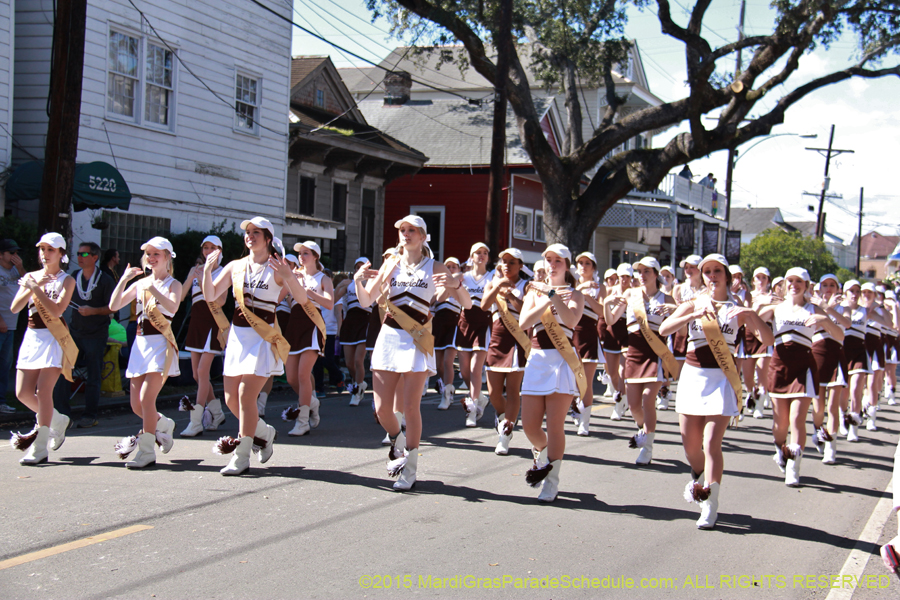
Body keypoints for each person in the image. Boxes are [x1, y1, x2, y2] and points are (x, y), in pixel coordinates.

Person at [659, 253, 773, 529]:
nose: (712, 276)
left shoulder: (738, 308)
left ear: (728, 276)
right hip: (693, 376)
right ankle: (700, 479)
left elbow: (768, 339)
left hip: (722, 378)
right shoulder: (693, 303)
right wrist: (692, 314)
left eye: (717, 271)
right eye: (707, 271)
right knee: (690, 447)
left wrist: (751, 315)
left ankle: (710, 502)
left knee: (711, 442)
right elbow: (663, 329)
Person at [354, 215, 466, 490]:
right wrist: (358, 281)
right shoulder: (390, 263)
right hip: (389, 337)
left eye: (412, 230)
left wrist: (456, 285)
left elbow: (468, 303)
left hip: (417, 339)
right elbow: (367, 300)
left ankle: (410, 467)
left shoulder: (435, 267)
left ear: (423, 236)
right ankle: (398, 439)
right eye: (402, 230)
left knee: (410, 407)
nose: (406, 234)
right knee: (382, 409)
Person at [201, 217, 307, 475]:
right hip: (238, 337)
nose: (250, 236)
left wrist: (289, 277)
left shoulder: (277, 267)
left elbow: (302, 299)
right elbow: (211, 295)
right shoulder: (235, 266)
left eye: (256, 232)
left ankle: (241, 455)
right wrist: (206, 270)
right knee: (230, 400)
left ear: (268, 238)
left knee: (245, 396)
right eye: (248, 232)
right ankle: (264, 433)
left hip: (262, 338)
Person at [757, 268, 843, 486]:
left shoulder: (813, 309)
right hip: (779, 365)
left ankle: (794, 467)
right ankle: (780, 450)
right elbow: (751, 325)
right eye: (791, 281)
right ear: (785, 284)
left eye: (799, 281)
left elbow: (840, 335)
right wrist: (758, 306)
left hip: (804, 367)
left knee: (797, 419)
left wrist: (825, 320)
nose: (794, 285)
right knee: (780, 423)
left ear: (806, 285)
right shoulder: (776, 308)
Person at [518, 244, 584, 502]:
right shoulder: (534, 291)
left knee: (555, 425)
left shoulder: (575, 294)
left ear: (566, 265)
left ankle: (552, 481)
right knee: (530, 426)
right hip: (537, 359)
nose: (553, 265)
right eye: (549, 260)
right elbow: (524, 322)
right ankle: (544, 455)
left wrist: (554, 295)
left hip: (562, 361)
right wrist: (545, 298)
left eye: (558, 260)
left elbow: (571, 321)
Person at [109, 237, 183, 469]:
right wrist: (124, 280)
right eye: (148, 254)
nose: (151, 258)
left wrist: (153, 290)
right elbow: (114, 305)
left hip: (161, 344)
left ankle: (147, 451)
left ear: (167, 257)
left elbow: (173, 307)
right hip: (140, 345)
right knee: (136, 405)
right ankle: (163, 423)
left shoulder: (174, 284)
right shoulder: (141, 283)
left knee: (146, 399)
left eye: (156, 254)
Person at [9, 233, 75, 464]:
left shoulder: (67, 280)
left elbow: (57, 311)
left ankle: (40, 446)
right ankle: (57, 419)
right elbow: (15, 307)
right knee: (22, 393)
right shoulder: (31, 276)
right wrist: (33, 286)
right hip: (32, 336)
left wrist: (36, 290)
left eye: (50, 250)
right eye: (42, 249)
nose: (45, 254)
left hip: (54, 338)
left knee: (44, 391)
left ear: (61, 254)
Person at [606, 256, 676, 464]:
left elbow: (681, 330)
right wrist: (607, 304)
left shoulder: (667, 299)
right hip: (634, 353)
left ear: (656, 274)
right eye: (640, 271)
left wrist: (675, 311)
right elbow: (611, 319)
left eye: (647, 271)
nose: (642, 275)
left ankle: (648, 447)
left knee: (647, 399)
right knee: (635, 406)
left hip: (655, 353)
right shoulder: (631, 294)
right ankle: (643, 430)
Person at [52, 242, 115, 429]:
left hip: (96, 334)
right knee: (64, 372)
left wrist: (93, 311)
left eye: (84, 254)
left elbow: (113, 307)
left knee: (93, 376)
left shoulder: (105, 280)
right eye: (78, 254)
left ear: (95, 257)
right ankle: (62, 415)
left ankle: (90, 415)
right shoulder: (74, 276)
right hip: (75, 332)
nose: (80, 257)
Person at [178, 235, 228, 437]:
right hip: (196, 323)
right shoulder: (196, 269)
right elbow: (181, 297)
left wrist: (203, 278)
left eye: (213, 248)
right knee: (197, 375)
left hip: (212, 322)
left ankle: (195, 421)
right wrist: (192, 276)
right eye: (205, 247)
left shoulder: (223, 272)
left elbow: (222, 301)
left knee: (202, 370)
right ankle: (217, 413)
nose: (208, 251)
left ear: (220, 251)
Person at [284, 241, 334, 436]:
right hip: (294, 325)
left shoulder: (324, 278)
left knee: (303, 374)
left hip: (312, 325)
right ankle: (312, 402)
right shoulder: (294, 275)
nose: (301, 257)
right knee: (291, 377)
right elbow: (280, 297)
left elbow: (329, 303)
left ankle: (302, 421)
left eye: (306, 253)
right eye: (300, 253)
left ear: (315, 256)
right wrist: (288, 280)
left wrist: (309, 292)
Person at [483, 248, 529, 453]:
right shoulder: (492, 283)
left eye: (512, 262)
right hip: (496, 340)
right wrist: (497, 287)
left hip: (517, 341)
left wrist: (509, 294)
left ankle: (505, 434)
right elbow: (484, 306)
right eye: (504, 261)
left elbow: (525, 310)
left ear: (520, 265)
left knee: (512, 391)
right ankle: (503, 418)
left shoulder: (526, 286)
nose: (507, 265)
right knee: (494, 393)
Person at [809, 274, 851, 463]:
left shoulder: (844, 307)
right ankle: (818, 431)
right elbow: (813, 327)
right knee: (819, 407)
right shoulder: (812, 306)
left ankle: (830, 447)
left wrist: (828, 308)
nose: (828, 288)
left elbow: (847, 324)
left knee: (833, 406)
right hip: (817, 354)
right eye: (825, 285)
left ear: (837, 288)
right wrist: (824, 308)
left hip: (837, 355)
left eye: (832, 285)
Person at [456, 242, 492, 427]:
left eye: (485, 252)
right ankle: (481, 397)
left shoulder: (493, 277)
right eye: (478, 252)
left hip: (483, 324)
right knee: (464, 371)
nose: (482, 255)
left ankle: (472, 410)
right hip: (465, 323)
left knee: (475, 369)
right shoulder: (464, 277)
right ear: (471, 256)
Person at [571, 252, 604, 436]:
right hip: (570, 335)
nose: (583, 266)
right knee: (571, 379)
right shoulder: (571, 284)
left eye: (587, 263)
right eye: (580, 263)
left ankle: (585, 422)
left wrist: (587, 295)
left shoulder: (600, 288)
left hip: (589, 336)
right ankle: (576, 407)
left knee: (586, 382)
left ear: (594, 267)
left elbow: (602, 312)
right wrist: (580, 288)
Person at [336, 257, 372, 407]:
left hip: (365, 321)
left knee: (358, 360)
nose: (359, 270)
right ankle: (359, 382)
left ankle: (357, 392)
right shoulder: (349, 284)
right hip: (350, 322)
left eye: (362, 267)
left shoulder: (372, 283)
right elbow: (333, 300)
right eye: (357, 267)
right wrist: (340, 285)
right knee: (349, 363)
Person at [603, 263, 634, 420]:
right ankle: (622, 396)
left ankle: (618, 403)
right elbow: (604, 313)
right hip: (612, 331)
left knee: (622, 371)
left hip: (627, 332)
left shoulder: (634, 293)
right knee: (612, 373)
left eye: (627, 277)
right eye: (622, 276)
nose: (624, 280)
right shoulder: (610, 291)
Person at [432, 257, 464, 410]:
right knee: (439, 365)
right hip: (439, 322)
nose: (450, 269)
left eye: (454, 267)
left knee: (447, 361)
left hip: (454, 322)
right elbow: (433, 300)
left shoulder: (461, 283)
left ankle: (446, 395)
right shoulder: (436, 284)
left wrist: (453, 281)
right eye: (448, 266)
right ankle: (447, 388)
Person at [744, 266, 774, 419]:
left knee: (762, 372)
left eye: (764, 278)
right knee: (747, 377)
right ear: (753, 280)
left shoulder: (773, 297)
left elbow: (763, 318)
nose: (761, 281)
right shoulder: (748, 296)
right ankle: (751, 394)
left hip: (764, 335)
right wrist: (761, 306)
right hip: (748, 336)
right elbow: (746, 316)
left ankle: (759, 406)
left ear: (768, 281)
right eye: (758, 277)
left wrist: (763, 307)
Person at [0, 239, 24, 414]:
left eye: (16, 253)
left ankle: (1, 402)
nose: (15, 256)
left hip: (12, 325)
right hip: (2, 324)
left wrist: (21, 268)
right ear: (1, 255)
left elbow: (31, 285)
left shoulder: (16, 270)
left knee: (5, 365)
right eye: (11, 253)